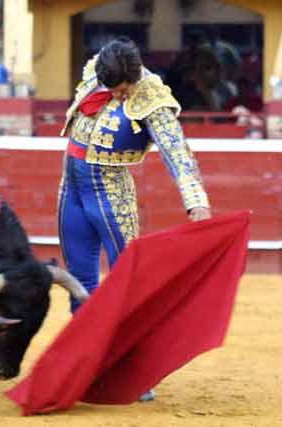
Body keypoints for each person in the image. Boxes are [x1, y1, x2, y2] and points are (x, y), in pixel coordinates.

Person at [58, 38, 211, 400]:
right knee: (79, 278)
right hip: (72, 188)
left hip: (111, 194)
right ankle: (88, 361)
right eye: (112, 88)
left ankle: (134, 371)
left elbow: (177, 149)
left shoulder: (152, 96)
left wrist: (196, 201)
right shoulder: (101, 69)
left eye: (122, 90)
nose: (117, 95)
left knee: (127, 282)